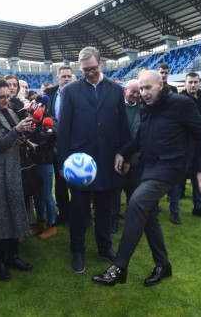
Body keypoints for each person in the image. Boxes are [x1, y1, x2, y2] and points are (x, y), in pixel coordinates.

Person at [91, 70, 201, 287]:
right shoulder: (146, 108)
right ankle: (163, 265)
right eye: (141, 89)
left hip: (170, 168)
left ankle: (119, 266)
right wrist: (123, 152)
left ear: (161, 84)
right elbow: (139, 138)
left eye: (148, 88)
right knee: (149, 216)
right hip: (148, 167)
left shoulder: (181, 104)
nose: (144, 93)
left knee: (136, 203)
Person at [57, 46, 130, 274]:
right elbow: (64, 129)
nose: (88, 73)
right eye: (84, 69)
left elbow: (122, 126)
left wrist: (125, 153)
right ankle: (77, 251)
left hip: (108, 159)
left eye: (92, 68)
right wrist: (62, 162)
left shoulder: (116, 90)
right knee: (78, 209)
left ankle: (104, 247)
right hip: (80, 163)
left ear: (101, 64)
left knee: (105, 207)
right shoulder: (70, 91)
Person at [0, 77, 35, 281]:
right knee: (0, 217)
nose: (5, 100)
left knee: (15, 212)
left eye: (8, 96)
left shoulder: (9, 110)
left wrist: (26, 137)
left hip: (13, 168)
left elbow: (14, 138)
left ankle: (13, 256)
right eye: (1, 97)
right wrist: (18, 130)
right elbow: (0, 143)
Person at [176, 72, 201, 221]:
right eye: (190, 82)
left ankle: (198, 207)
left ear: (200, 83)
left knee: (199, 178)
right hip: (184, 146)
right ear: (185, 84)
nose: (192, 85)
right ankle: (175, 210)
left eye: (195, 82)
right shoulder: (179, 101)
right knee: (178, 178)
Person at [45, 65, 73, 224]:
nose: (67, 79)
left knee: (75, 180)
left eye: (69, 76)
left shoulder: (78, 92)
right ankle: (64, 212)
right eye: (64, 76)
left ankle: (78, 212)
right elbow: (48, 115)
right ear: (58, 78)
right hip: (55, 143)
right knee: (60, 180)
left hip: (75, 144)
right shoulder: (49, 95)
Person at [112, 79, 141, 233]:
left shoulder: (143, 109)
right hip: (117, 158)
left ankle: (133, 221)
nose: (135, 95)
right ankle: (114, 220)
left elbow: (139, 137)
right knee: (115, 192)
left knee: (134, 192)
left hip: (136, 160)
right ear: (125, 91)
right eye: (133, 91)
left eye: (138, 92)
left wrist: (129, 158)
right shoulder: (115, 108)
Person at [29, 101, 58, 239]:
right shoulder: (30, 119)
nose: (38, 109)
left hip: (46, 162)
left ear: (45, 107)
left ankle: (52, 225)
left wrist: (50, 132)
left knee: (46, 194)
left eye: (41, 106)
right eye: (36, 106)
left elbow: (55, 133)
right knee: (36, 195)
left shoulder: (50, 120)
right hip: (33, 162)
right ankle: (41, 222)